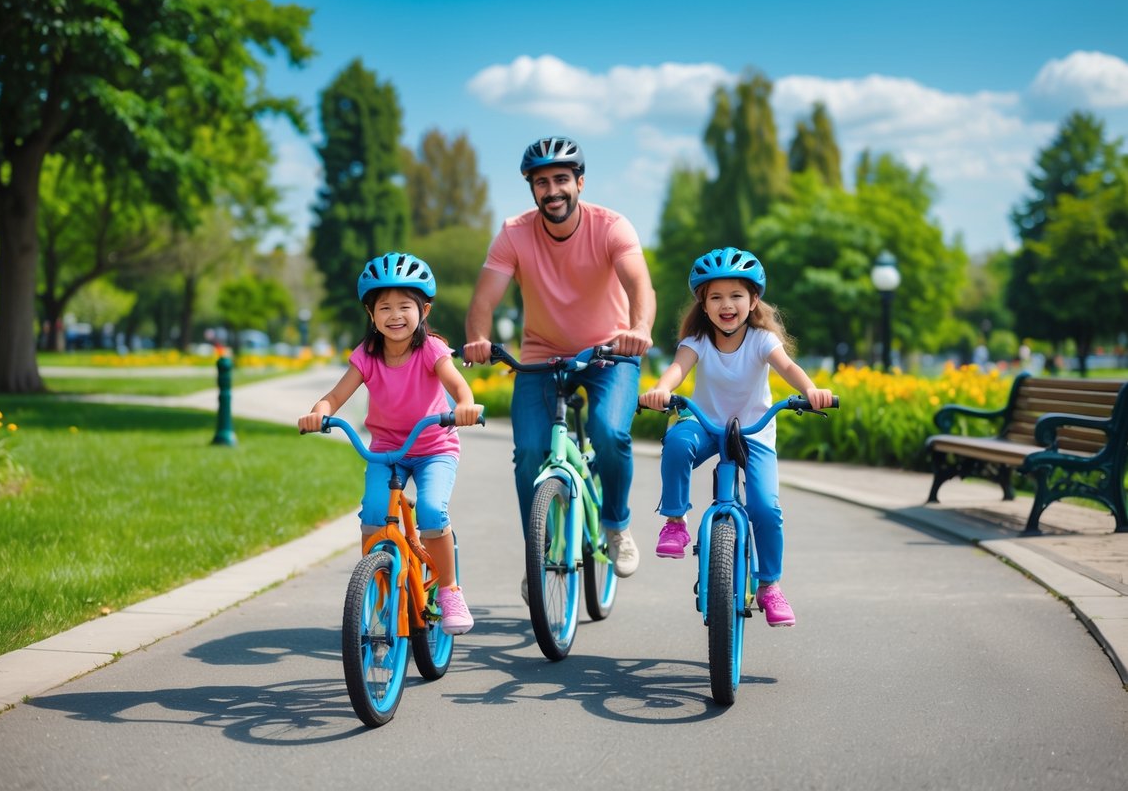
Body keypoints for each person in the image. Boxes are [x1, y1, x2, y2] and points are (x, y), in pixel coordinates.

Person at [463, 136, 655, 588]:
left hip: (610, 353)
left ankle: (616, 524)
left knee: (610, 433)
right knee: (529, 452)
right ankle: (541, 550)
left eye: (562, 180)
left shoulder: (612, 227)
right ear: (532, 189)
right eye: (542, 182)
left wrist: (640, 329)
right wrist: (478, 340)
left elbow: (639, 287)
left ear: (580, 183)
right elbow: (483, 300)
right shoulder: (514, 233)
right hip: (540, 356)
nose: (553, 190)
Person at [638, 247, 834, 627]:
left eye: (736, 296)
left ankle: (770, 586)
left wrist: (811, 390)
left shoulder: (762, 340)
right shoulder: (697, 341)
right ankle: (675, 522)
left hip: (754, 431)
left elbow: (788, 367)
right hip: (707, 423)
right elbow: (677, 370)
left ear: (753, 299)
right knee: (677, 442)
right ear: (704, 304)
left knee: (765, 509)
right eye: (716, 297)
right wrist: (660, 390)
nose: (726, 305)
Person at [298, 252, 482, 635]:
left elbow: (457, 385)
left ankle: (449, 590)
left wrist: (464, 404)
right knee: (372, 515)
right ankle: (379, 589)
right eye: (384, 307)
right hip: (385, 450)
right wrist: (319, 410)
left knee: (432, 511)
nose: (395, 315)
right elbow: (335, 396)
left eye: (404, 306)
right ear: (371, 315)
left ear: (424, 310)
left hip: (434, 447)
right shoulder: (366, 355)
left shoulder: (431, 349)